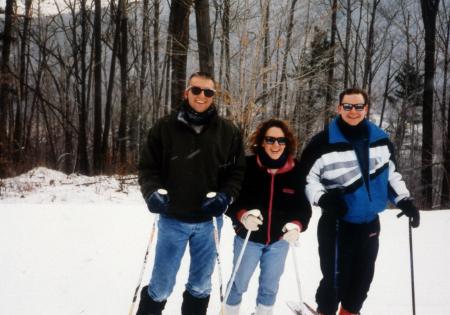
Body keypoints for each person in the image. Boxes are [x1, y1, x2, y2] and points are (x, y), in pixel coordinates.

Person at [300, 88, 421, 315]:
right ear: (339, 108)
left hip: (369, 224)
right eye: (347, 106)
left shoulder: (381, 140)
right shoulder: (322, 142)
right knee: (335, 282)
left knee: (361, 283)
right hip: (338, 223)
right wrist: (323, 198)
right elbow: (306, 179)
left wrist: (405, 200)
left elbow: (390, 175)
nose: (353, 111)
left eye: (358, 106)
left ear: (366, 109)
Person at [137, 71, 246, 315]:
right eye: (196, 90)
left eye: (208, 92)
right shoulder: (165, 128)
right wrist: (151, 192)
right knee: (162, 287)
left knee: (200, 286)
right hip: (172, 218)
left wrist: (225, 197)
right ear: (186, 93)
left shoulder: (227, 131)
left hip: (209, 223)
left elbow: (237, 172)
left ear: (213, 96)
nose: (202, 96)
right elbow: (148, 168)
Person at [224, 119, 312, 315]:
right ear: (261, 142)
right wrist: (243, 216)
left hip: (279, 242)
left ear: (287, 143)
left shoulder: (295, 170)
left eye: (281, 141)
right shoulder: (247, 166)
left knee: (270, 287)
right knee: (239, 283)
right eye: (270, 140)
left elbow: (303, 207)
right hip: (249, 238)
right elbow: (231, 200)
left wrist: (296, 226)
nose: (275, 145)